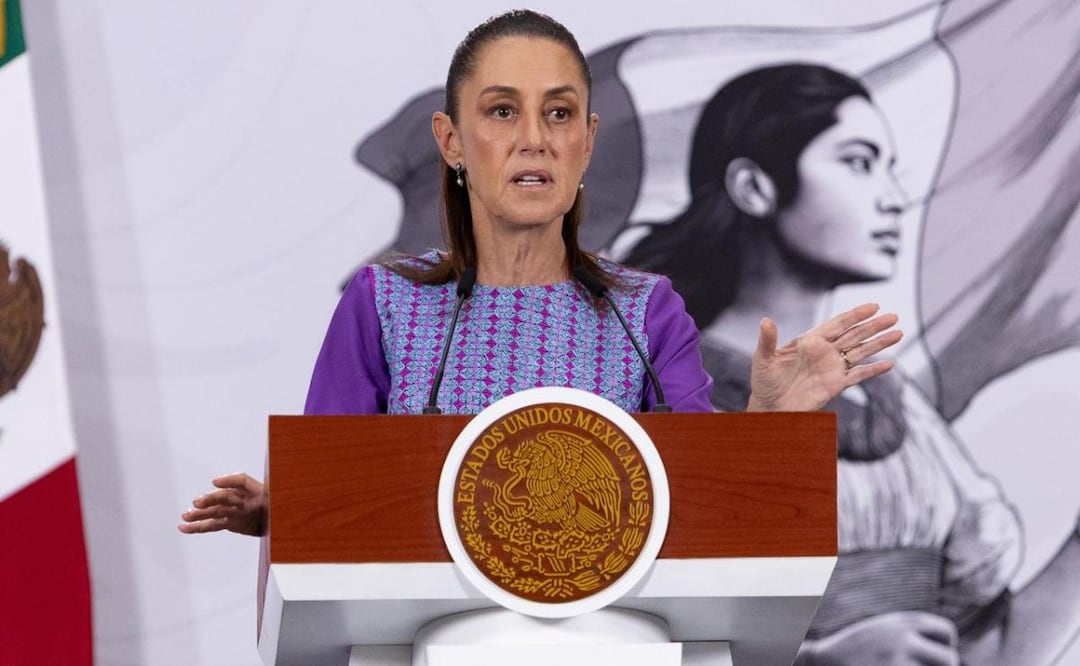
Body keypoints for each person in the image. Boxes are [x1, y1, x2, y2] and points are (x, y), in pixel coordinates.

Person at [178, 15, 899, 549]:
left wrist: (770, 425)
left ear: (586, 142)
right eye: (502, 111)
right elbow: (332, 492)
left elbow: (709, 517)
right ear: (451, 142)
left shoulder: (646, 313)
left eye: (558, 114)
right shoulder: (385, 305)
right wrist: (286, 513)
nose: (534, 139)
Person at [622, 63, 1080, 665]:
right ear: (754, 187)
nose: (893, 198)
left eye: (890, 168)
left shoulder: (894, 400)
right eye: (859, 163)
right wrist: (820, 659)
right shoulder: (655, 389)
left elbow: (988, 652)